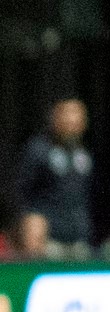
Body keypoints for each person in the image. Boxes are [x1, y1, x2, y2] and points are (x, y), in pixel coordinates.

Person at [13, 99, 94, 258]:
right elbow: (20, 192)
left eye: (77, 116)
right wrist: (29, 223)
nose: (72, 121)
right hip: (48, 241)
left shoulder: (86, 153)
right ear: (55, 118)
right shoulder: (38, 150)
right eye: (67, 115)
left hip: (80, 240)